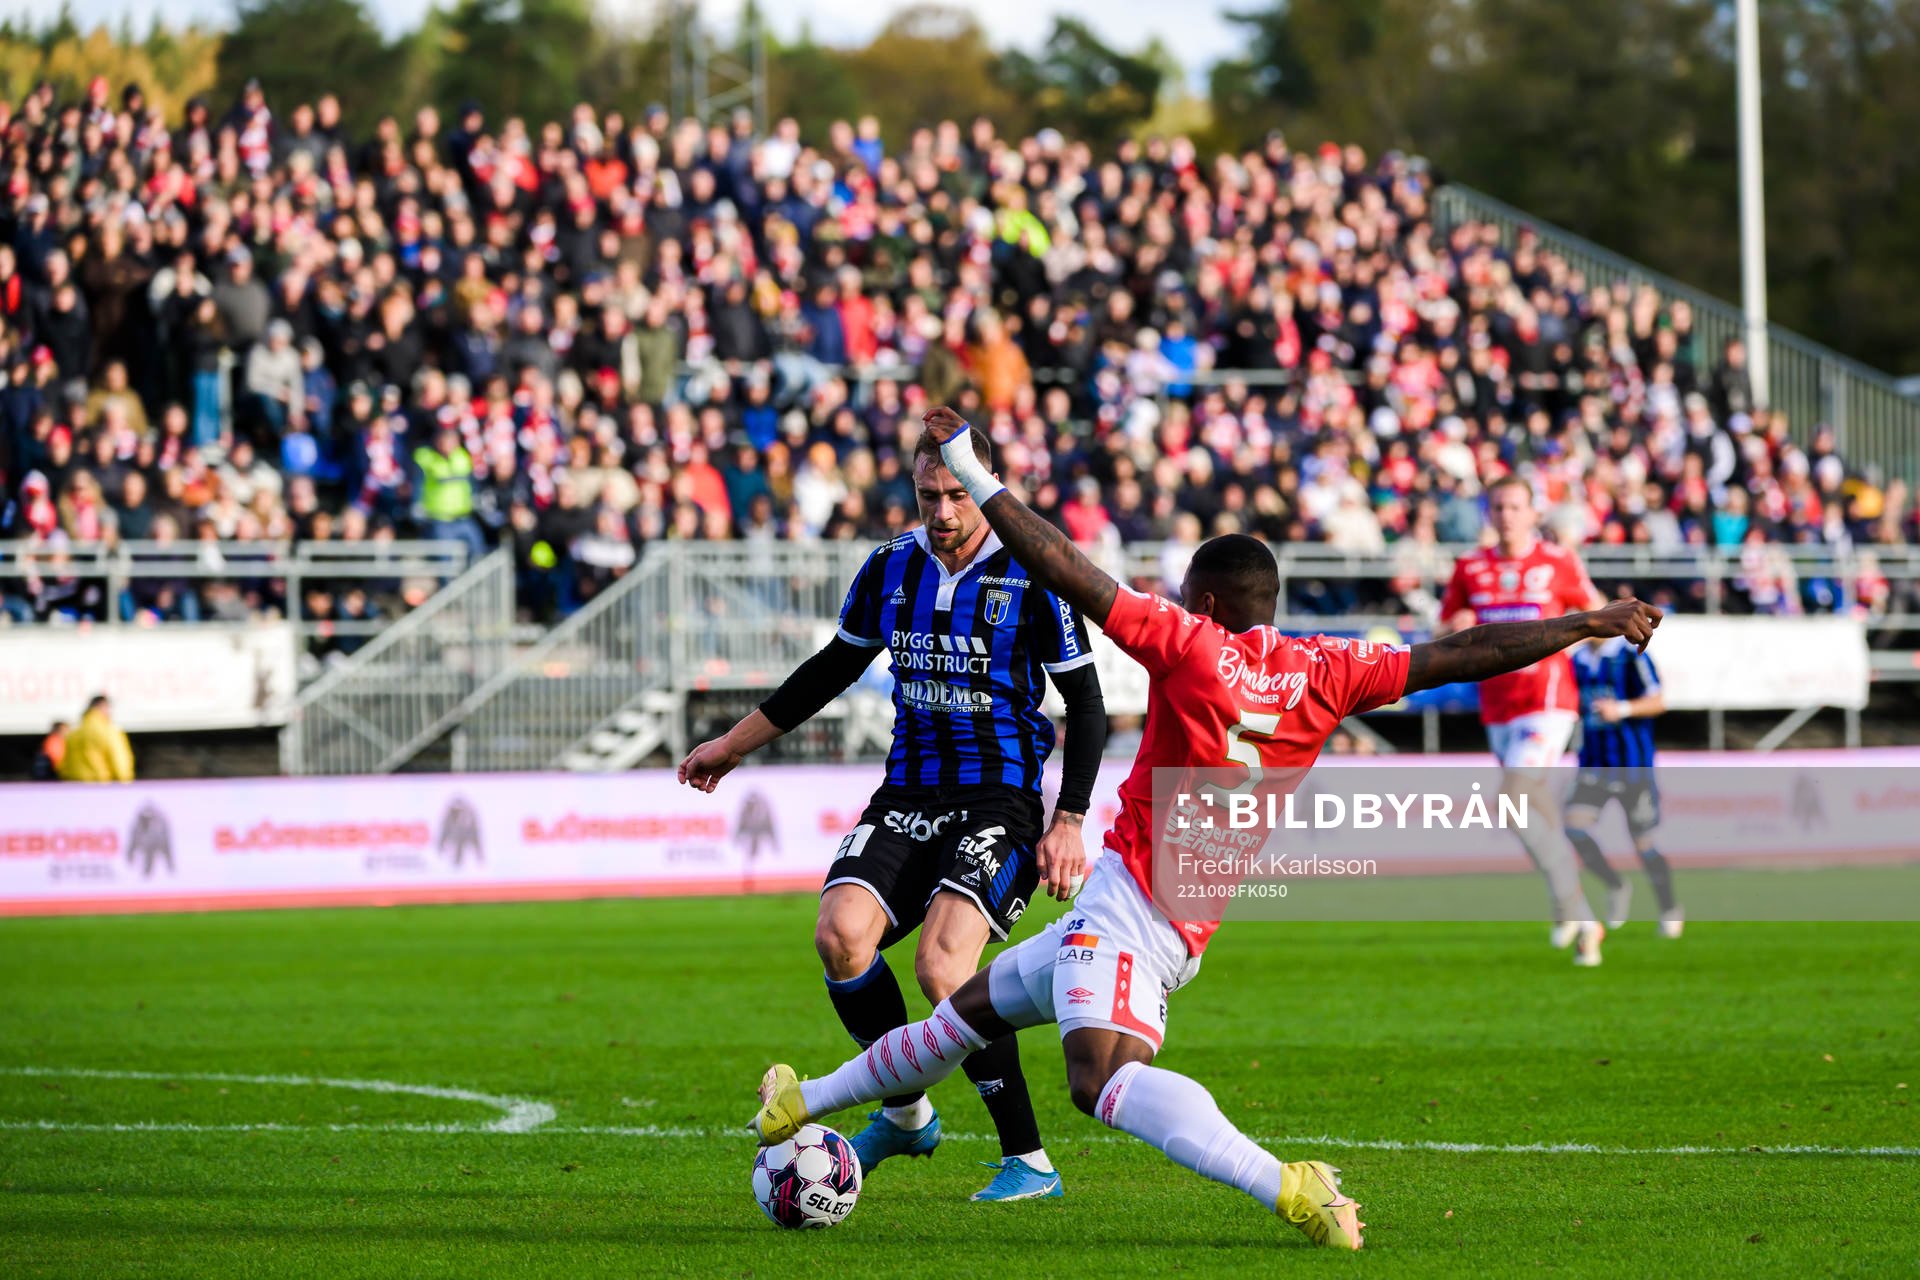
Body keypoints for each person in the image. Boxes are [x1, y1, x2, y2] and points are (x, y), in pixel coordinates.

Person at [750, 406, 1663, 1251]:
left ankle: (1290, 1186)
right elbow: (1462, 653)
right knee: (966, 1011)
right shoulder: (1326, 670)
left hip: (1134, 911)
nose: (1179, 606)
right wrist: (1585, 621)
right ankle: (807, 1101)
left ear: (1212, 606)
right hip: (1179, 913)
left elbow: (1067, 566)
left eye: (1188, 595)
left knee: (1097, 1081)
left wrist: (972, 474)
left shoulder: (1187, 647)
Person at [681, 424, 1107, 1203]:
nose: (942, 512)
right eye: (927, 495)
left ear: (983, 487)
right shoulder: (892, 566)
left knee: (944, 966)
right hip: (909, 793)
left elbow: (1086, 698)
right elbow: (831, 669)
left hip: (999, 800)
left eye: (956, 494)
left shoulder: (1034, 570)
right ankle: (906, 1112)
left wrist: (1069, 817)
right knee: (840, 937)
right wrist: (734, 744)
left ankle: (1029, 1161)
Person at [1438, 476, 1610, 965]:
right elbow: (1444, 624)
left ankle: (1573, 909)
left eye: (1516, 506)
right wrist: (1454, 627)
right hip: (1497, 703)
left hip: (1549, 698)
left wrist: (1593, 634)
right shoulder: (1471, 567)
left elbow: (1594, 615)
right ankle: (1572, 905)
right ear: (1489, 513)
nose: (1507, 515)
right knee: (1536, 810)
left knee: (1513, 797)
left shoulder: (1557, 561)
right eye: (1498, 507)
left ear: (1533, 513)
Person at [1566, 633, 1682, 937]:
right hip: (1594, 762)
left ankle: (1669, 908)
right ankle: (1616, 884)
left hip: (1633, 765)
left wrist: (1622, 709)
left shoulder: (1630, 655)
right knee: (1574, 827)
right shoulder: (1576, 659)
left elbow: (1658, 701)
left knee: (1644, 844)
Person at [58, 695, 134, 783]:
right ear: (103, 707)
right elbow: (119, 760)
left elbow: (64, 766)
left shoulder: (73, 733)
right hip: (102, 787)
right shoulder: (109, 731)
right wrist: (124, 780)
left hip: (77, 786)